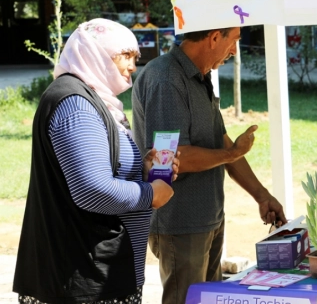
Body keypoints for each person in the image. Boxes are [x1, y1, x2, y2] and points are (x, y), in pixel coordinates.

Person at [14, 19, 176, 303]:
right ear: (97, 52)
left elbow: (97, 170)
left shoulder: (93, 100)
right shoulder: (76, 105)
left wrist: (144, 170)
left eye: (136, 58)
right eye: (126, 55)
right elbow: (92, 190)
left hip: (99, 273)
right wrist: (151, 194)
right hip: (82, 279)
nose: (133, 66)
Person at [132, 27, 287, 304]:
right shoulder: (165, 78)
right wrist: (230, 154)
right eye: (234, 41)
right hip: (181, 224)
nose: (234, 50)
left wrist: (262, 196)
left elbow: (223, 145)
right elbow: (168, 159)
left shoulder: (200, 77)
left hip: (208, 220)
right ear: (215, 36)